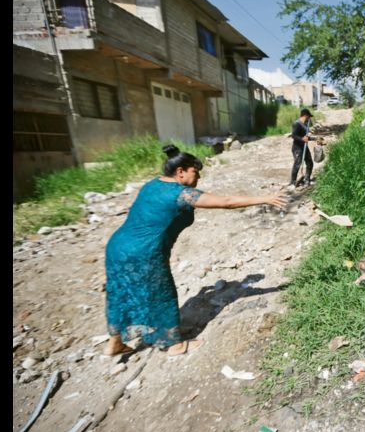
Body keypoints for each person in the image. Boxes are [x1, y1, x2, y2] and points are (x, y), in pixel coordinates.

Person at [103, 144, 288, 357]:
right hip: (144, 252)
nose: (198, 177)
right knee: (162, 294)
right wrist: (265, 198)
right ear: (180, 171)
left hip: (117, 247)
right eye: (195, 172)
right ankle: (173, 345)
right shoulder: (181, 195)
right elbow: (226, 202)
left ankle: (115, 343)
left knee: (119, 292)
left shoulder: (152, 184)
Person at [289, 108, 314, 189]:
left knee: (310, 163)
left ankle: (307, 180)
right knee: (297, 164)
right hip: (297, 148)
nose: (309, 118)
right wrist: (302, 139)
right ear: (305, 116)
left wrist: (315, 139)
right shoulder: (297, 124)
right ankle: (293, 182)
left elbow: (306, 137)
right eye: (309, 117)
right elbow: (294, 135)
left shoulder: (305, 124)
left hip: (304, 147)